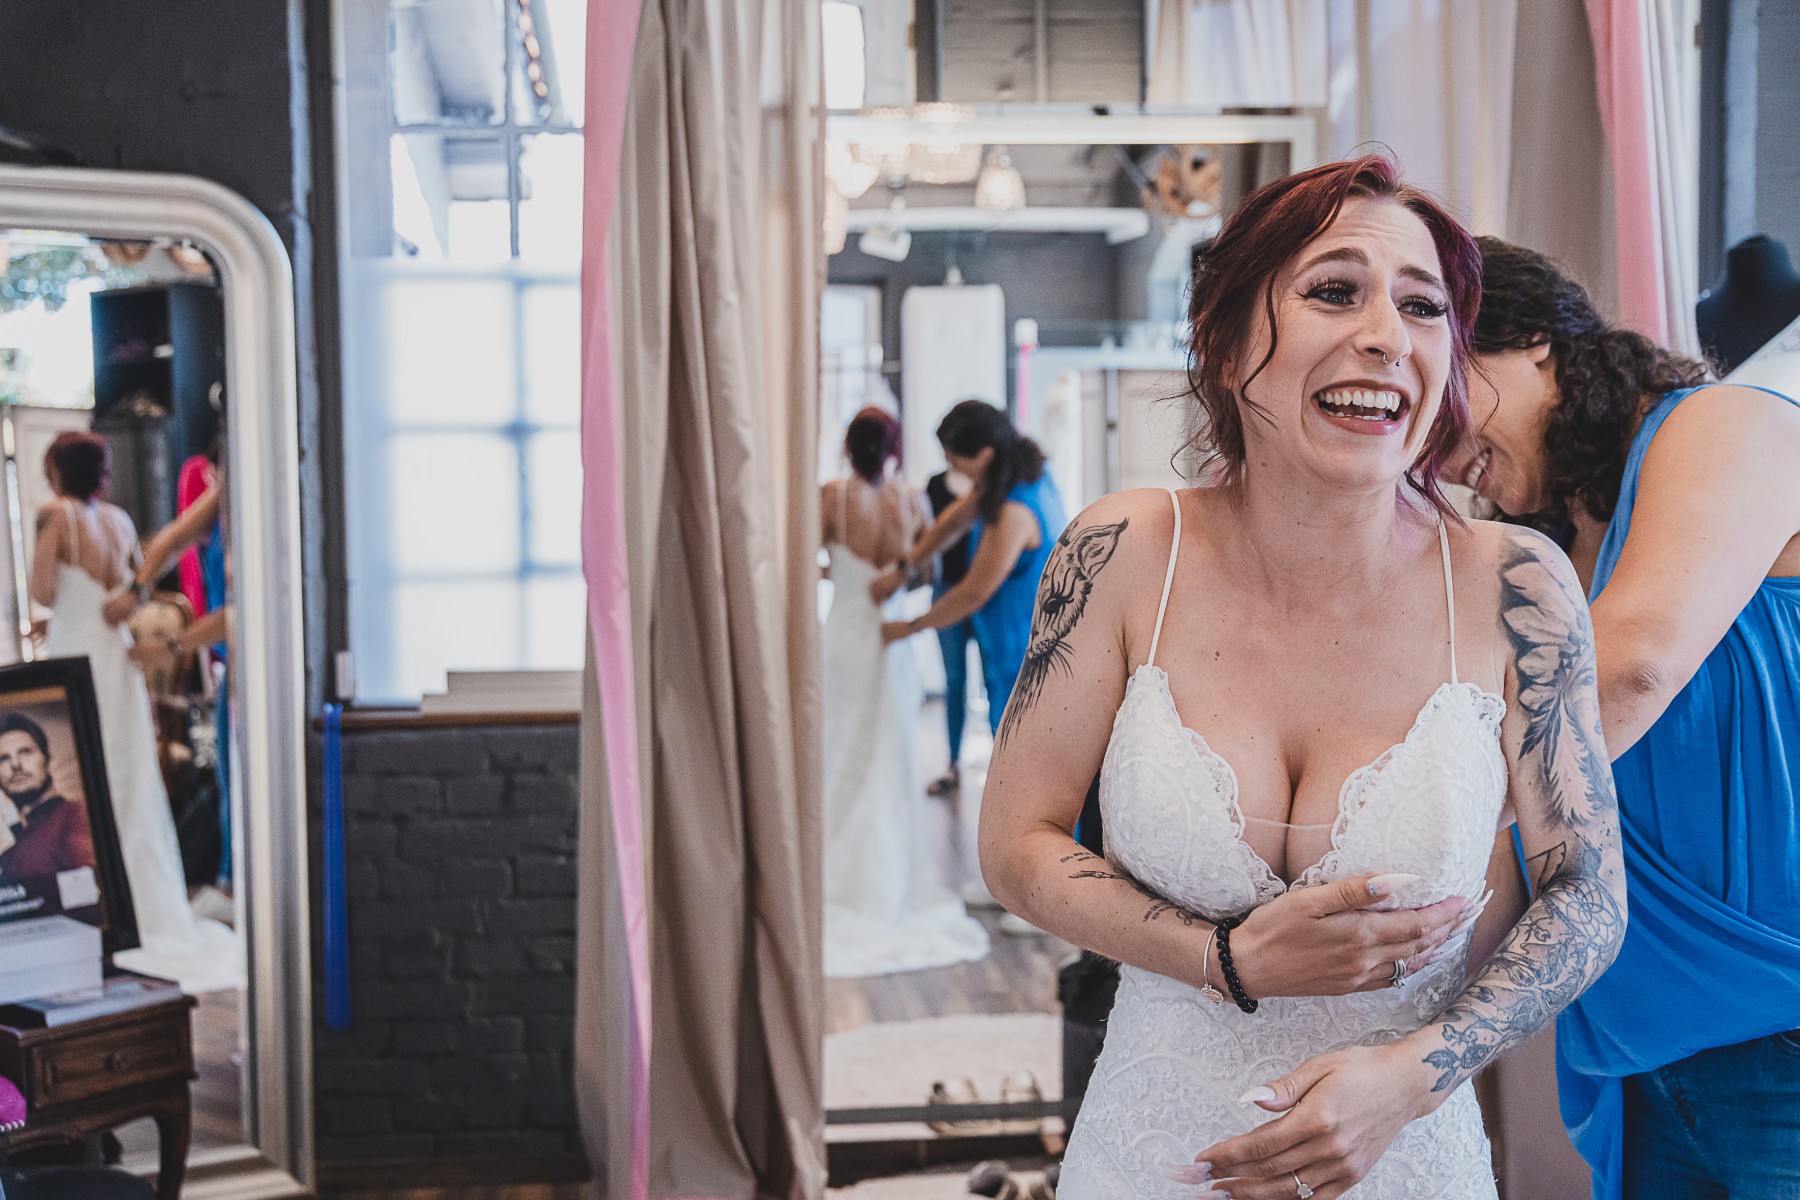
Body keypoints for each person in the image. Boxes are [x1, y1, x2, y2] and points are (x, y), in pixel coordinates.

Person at [977, 156, 1627, 1199]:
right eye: (1335, 291)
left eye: (1423, 307)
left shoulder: (1517, 584)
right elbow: (1016, 845)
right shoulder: (1122, 552)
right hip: (1152, 1150)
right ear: (1228, 343)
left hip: (1403, 1154)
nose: (1387, 336)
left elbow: (1586, 893)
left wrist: (1416, 1075)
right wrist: (1222, 958)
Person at [1454, 236, 1800, 1200]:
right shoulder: (1542, 552)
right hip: (1641, 1058)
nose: (1436, 452)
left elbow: (1637, 665)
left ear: (1529, 338)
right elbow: (1520, 841)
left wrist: (1419, 811)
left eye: (1441, 395)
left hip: (1782, 1036)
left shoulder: (1724, 421)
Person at [31, 432, 241, 991]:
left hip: (75, 661)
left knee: (80, 780)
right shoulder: (121, 522)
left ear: (56, 471)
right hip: (118, 658)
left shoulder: (55, 517)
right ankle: (149, 908)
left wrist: (61, 609)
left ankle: (95, 912)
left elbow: (43, 589)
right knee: (131, 779)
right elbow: (131, 593)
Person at [819, 407, 988, 978]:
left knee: (837, 751)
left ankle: (831, 870)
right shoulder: (913, 501)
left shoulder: (830, 498)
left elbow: (804, 562)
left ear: (849, 447)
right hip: (892, 643)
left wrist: (841, 574)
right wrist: (892, 576)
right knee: (889, 756)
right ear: (894, 448)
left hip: (844, 638)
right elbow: (928, 573)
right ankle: (887, 874)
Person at [873, 402, 1066, 747]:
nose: (951, 467)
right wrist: (906, 567)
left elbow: (973, 592)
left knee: (1013, 747)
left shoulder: (1013, 511)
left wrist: (910, 627)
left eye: (954, 459)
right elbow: (952, 523)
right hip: (1007, 643)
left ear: (985, 454)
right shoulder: (1014, 477)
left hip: (1022, 655)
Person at [922, 464, 981, 794]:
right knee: (954, 679)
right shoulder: (934, 485)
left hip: (988, 595)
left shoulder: (990, 485)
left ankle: (1002, 765)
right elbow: (929, 535)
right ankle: (953, 762)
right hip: (946, 590)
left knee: (996, 679)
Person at [0, 713, 94, 882]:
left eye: (25, 752)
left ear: (46, 758)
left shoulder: (75, 817)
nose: (16, 765)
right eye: (3, 758)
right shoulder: (13, 848)